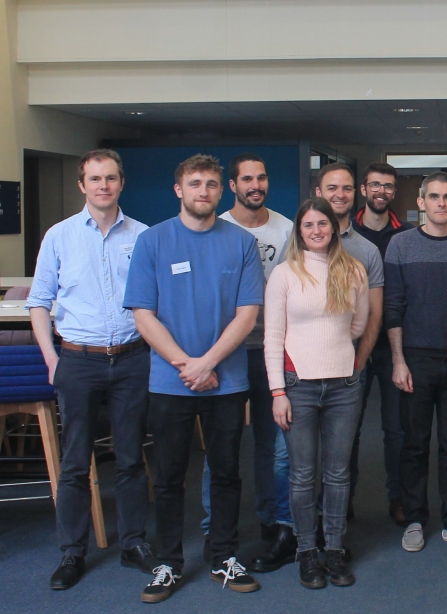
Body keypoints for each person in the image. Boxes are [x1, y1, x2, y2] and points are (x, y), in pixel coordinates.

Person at [124, 154, 265, 602]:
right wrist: (187, 364)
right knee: (168, 477)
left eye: (211, 184)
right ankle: (168, 562)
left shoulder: (241, 242)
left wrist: (208, 363)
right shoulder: (152, 241)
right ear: (178, 190)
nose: (203, 191)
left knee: (226, 472)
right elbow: (143, 315)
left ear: (222, 191)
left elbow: (247, 315)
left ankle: (223, 555)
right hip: (171, 382)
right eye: (195, 183)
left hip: (227, 380)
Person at [28, 149, 157, 590]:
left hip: (132, 358)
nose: (104, 186)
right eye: (96, 179)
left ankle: (133, 543)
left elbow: (154, 300)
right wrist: (52, 359)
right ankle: (72, 551)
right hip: (77, 359)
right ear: (82, 185)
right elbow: (39, 302)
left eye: (111, 178)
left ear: (121, 183)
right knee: (74, 461)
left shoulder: (143, 236)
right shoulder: (59, 236)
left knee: (131, 458)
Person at [196, 153, 296, 572]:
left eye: (262, 177)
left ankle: (274, 521)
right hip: (228, 351)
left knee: (276, 446)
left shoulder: (287, 229)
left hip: (274, 350)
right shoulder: (217, 228)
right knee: (222, 444)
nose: (256, 185)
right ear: (233, 186)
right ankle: (213, 528)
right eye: (247, 179)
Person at [264, 197, 368, 589]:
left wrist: (332, 347)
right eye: (308, 225)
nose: (316, 230)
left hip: (343, 385)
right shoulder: (285, 274)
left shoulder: (353, 270)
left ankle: (334, 549)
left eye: (322, 223)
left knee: (338, 474)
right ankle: (307, 551)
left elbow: (357, 326)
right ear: (299, 231)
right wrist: (277, 391)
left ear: (334, 227)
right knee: (303, 475)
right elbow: (273, 337)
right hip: (297, 387)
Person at [384, 172, 447, 553]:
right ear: (421, 202)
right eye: (434, 197)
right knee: (414, 444)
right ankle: (414, 518)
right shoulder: (400, 244)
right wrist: (398, 360)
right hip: (416, 360)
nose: (441, 203)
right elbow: (394, 306)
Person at [315, 162, 386, 523]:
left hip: (348, 367)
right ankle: (294, 524)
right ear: (318, 193)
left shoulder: (367, 251)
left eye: (346, 188)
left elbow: (373, 315)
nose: (339, 195)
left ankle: (337, 517)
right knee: (294, 452)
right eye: (332, 188)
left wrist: (359, 362)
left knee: (345, 445)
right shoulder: (296, 245)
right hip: (301, 371)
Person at [352, 161, 413, 524]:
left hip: (392, 347)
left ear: (394, 192)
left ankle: (399, 497)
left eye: (388, 186)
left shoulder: (405, 236)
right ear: (364, 190)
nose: (381, 191)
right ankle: (342, 500)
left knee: (396, 429)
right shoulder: (344, 233)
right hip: (351, 346)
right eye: (375, 185)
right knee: (348, 428)